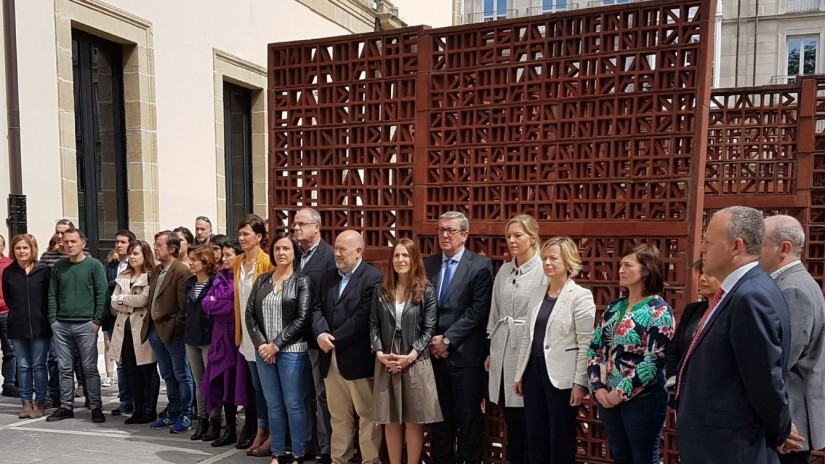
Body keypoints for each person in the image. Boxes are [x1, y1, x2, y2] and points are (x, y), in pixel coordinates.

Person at [676, 206, 802, 463]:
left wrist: (780, 430)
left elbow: (765, 377)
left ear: (736, 246)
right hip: (715, 443)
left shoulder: (750, 296)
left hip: (732, 447)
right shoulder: (739, 292)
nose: (702, 248)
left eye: (708, 242)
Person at [587, 243, 674, 464]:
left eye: (628, 265)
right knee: (620, 455)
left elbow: (654, 361)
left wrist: (620, 393)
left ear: (645, 270)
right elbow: (595, 347)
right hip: (607, 396)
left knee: (643, 458)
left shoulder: (659, 310)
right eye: (620, 265)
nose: (621, 270)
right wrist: (597, 387)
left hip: (642, 399)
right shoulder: (615, 306)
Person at [513, 236, 596, 463]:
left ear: (568, 262)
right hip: (534, 373)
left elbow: (585, 343)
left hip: (562, 377)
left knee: (560, 437)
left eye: (553, 258)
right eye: (544, 258)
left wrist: (580, 383)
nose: (547, 263)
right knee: (535, 435)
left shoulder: (580, 295)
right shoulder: (537, 293)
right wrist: (520, 372)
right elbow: (527, 338)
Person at [424, 211, 493, 464]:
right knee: (439, 423)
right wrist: (433, 341)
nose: (444, 235)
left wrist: (448, 339)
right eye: (441, 229)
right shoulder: (428, 265)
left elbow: (478, 310)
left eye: (450, 230)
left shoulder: (480, 265)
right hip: (433, 356)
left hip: (465, 357)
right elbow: (421, 308)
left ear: (464, 235)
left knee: (469, 421)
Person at [311, 230, 383, 464]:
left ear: (359, 251)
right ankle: (339, 459)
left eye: (343, 249)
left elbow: (363, 318)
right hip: (329, 358)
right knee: (338, 416)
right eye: (336, 248)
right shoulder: (327, 276)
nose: (337, 253)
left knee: (367, 416)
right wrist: (321, 333)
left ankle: (369, 460)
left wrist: (334, 338)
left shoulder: (373, 277)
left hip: (357, 359)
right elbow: (316, 308)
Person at [369, 238, 441, 464]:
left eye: (405, 256)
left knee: (413, 419)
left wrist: (410, 356)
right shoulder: (381, 290)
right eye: (397, 256)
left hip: (415, 359)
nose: (401, 260)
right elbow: (373, 324)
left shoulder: (426, 290)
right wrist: (379, 352)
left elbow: (429, 329)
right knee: (390, 419)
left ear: (414, 259)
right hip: (387, 358)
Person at [760, 215, 825, 463]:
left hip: (791, 419)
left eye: (761, 243)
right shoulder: (790, 282)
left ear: (783, 248)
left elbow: (781, 359)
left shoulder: (793, 288)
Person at [247, 232, 312, 464]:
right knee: (273, 404)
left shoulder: (301, 281)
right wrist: (263, 345)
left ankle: (297, 454)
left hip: (292, 351)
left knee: (293, 404)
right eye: (277, 249)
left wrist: (276, 345)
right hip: (264, 351)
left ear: (295, 252)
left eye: (286, 248)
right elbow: (250, 315)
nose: (281, 253)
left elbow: (302, 319)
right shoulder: (262, 280)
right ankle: (277, 452)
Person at [484, 215, 544, 464]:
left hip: (528, 351)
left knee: (531, 421)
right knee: (511, 422)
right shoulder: (504, 270)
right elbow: (495, 313)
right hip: (502, 349)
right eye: (509, 236)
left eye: (518, 235)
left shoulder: (543, 270)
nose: (512, 240)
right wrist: (490, 350)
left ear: (532, 237)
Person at [45, 227, 107, 423]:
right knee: (64, 367)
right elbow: (53, 293)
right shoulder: (59, 267)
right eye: (66, 241)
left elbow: (102, 293)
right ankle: (66, 406)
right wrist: (53, 320)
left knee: (89, 367)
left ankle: (96, 406)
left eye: (73, 241)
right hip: (62, 325)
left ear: (83, 244)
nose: (69, 245)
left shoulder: (94, 265)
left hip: (86, 325)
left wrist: (96, 321)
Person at [293, 207, 335, 464]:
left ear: (316, 227)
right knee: (302, 394)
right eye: (295, 224)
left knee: (322, 396)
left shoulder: (329, 256)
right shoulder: (297, 256)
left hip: (318, 337)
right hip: (296, 339)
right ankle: (306, 443)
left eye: (302, 224)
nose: (296, 228)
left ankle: (326, 448)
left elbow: (328, 301)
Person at [147, 230, 195, 433]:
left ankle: (185, 413)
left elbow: (183, 307)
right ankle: (172, 410)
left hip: (173, 332)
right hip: (155, 330)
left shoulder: (181, 271)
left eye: (159, 244)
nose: (155, 248)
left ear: (172, 248)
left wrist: (173, 325)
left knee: (181, 373)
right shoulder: (157, 270)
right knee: (167, 374)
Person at [202, 239, 248, 447]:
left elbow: (236, 308)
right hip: (219, 337)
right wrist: (220, 304)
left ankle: (248, 428)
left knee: (239, 384)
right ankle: (228, 428)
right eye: (224, 254)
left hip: (237, 337)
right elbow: (206, 303)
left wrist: (218, 304)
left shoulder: (242, 278)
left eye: (230, 255)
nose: (224, 258)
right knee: (222, 382)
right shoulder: (219, 278)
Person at [233, 214, 273, 454]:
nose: (242, 238)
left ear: (259, 237)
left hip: (263, 335)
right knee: (256, 387)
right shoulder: (238, 262)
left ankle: (270, 434)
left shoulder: (267, 262)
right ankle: (261, 429)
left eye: (246, 234)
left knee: (267, 387)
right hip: (245, 335)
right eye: (240, 234)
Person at [110, 240, 160, 425]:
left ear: (144, 255)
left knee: (147, 369)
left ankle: (150, 409)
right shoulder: (123, 275)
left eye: (136, 253)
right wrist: (125, 300)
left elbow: (143, 300)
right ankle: (137, 409)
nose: (131, 257)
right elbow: (113, 302)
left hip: (143, 328)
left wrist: (123, 299)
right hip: (125, 329)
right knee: (131, 370)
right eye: (130, 253)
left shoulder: (150, 276)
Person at [2, 234, 51, 418]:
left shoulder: (44, 270)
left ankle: (40, 402)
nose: (22, 251)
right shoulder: (9, 272)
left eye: (25, 248)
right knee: (22, 365)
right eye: (18, 248)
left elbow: (49, 297)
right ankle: (25, 402)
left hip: (40, 325)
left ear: (32, 249)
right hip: (17, 325)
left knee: (39, 365)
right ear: (13, 250)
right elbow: (8, 298)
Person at [664, 260, 720, 400]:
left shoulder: (730, 311)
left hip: (713, 394)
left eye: (710, 274)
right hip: (683, 392)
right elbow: (674, 348)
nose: (702, 279)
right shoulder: (692, 310)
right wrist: (674, 380)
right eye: (701, 274)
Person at [184, 246, 217, 441]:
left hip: (209, 337)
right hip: (191, 338)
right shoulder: (189, 283)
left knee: (211, 382)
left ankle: (214, 420)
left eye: (195, 259)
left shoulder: (214, 283)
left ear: (205, 262)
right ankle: (202, 419)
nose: (191, 263)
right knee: (199, 382)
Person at [104, 230, 136, 416]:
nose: (118, 245)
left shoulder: (135, 265)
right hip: (115, 318)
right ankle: (125, 401)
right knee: (121, 363)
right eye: (116, 241)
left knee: (136, 362)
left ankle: (142, 400)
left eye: (123, 242)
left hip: (133, 319)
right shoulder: (110, 265)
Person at [0, 234, 18, 398]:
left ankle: (9, 384)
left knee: (10, 351)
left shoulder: (10, 265)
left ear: (3, 246)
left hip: (5, 313)